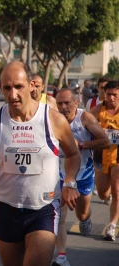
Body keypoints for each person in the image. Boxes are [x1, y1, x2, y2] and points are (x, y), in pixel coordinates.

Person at [0, 62, 81, 266]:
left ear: (31, 85)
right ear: (0, 88)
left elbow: (73, 155)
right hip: (6, 209)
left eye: (18, 87)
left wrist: (70, 183)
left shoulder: (52, 120)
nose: (13, 95)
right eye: (7, 88)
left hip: (43, 209)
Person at [52, 89, 110, 266]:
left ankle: (85, 219)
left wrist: (82, 144)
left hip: (83, 174)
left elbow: (105, 141)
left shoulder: (85, 118)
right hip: (59, 174)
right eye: (59, 104)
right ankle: (61, 256)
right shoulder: (52, 119)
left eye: (66, 103)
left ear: (76, 102)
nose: (63, 107)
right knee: (59, 215)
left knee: (82, 212)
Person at [89, 80, 119, 241]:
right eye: (109, 95)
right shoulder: (97, 110)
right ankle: (108, 197)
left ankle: (112, 226)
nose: (112, 98)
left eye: (115, 94)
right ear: (104, 95)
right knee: (103, 194)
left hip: (118, 157)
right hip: (101, 157)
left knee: (117, 190)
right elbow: (84, 124)